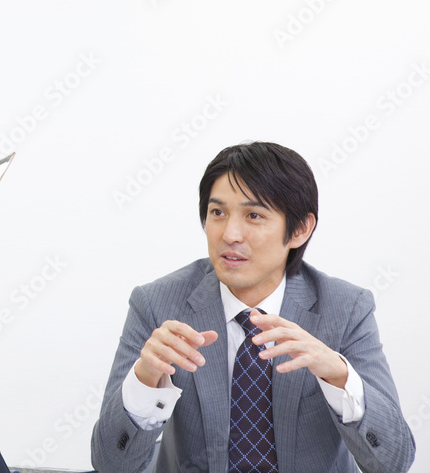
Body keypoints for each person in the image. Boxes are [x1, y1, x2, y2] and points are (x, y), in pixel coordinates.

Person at [90, 142, 415, 473]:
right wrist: (145, 381)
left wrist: (339, 376)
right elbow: (111, 465)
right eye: (218, 213)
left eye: (254, 215)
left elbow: (394, 462)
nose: (230, 234)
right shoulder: (158, 304)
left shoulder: (345, 309)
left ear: (300, 229)